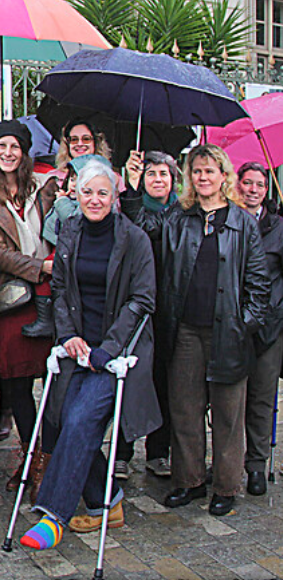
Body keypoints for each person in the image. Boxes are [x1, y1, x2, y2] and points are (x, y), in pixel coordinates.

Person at [122, 144, 268, 516]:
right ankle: (189, 480)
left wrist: (245, 323)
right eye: (197, 171)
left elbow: (258, 283)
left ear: (224, 175)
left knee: (227, 414)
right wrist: (135, 188)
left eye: (210, 171)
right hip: (184, 330)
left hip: (229, 332)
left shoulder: (242, 222)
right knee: (184, 409)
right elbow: (143, 227)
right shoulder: (178, 217)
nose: (203, 177)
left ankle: (226, 484)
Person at [20, 159, 157, 549]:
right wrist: (68, 337)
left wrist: (108, 349)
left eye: (102, 192)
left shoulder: (134, 239)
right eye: (86, 192)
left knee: (81, 419)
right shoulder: (71, 231)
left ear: (115, 196)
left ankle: (54, 516)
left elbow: (143, 300)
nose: (94, 199)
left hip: (115, 353)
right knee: (59, 419)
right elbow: (60, 289)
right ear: (75, 195)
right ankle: (106, 500)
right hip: (76, 346)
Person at [0, 120, 59, 489]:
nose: (8, 153)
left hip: (55, 294)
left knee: (55, 381)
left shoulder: (45, 187)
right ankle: (32, 455)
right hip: (13, 296)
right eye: (1, 146)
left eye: (15, 146)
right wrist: (42, 267)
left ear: (25, 151)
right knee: (17, 381)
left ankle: (55, 456)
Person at [116, 149, 180, 478]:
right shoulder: (132, 205)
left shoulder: (184, 212)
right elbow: (131, 232)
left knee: (165, 382)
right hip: (138, 306)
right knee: (132, 378)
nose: (157, 180)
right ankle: (123, 451)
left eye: (163, 174)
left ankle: (159, 451)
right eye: (152, 173)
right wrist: (131, 190)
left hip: (172, 310)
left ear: (173, 179)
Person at [236, 162, 283, 496]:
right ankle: (229, 461)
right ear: (238, 185)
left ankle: (256, 464)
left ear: (267, 190)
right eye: (248, 183)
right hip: (233, 325)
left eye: (260, 185)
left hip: (270, 325)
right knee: (230, 401)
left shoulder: (279, 226)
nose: (253, 190)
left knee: (262, 399)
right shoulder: (230, 221)